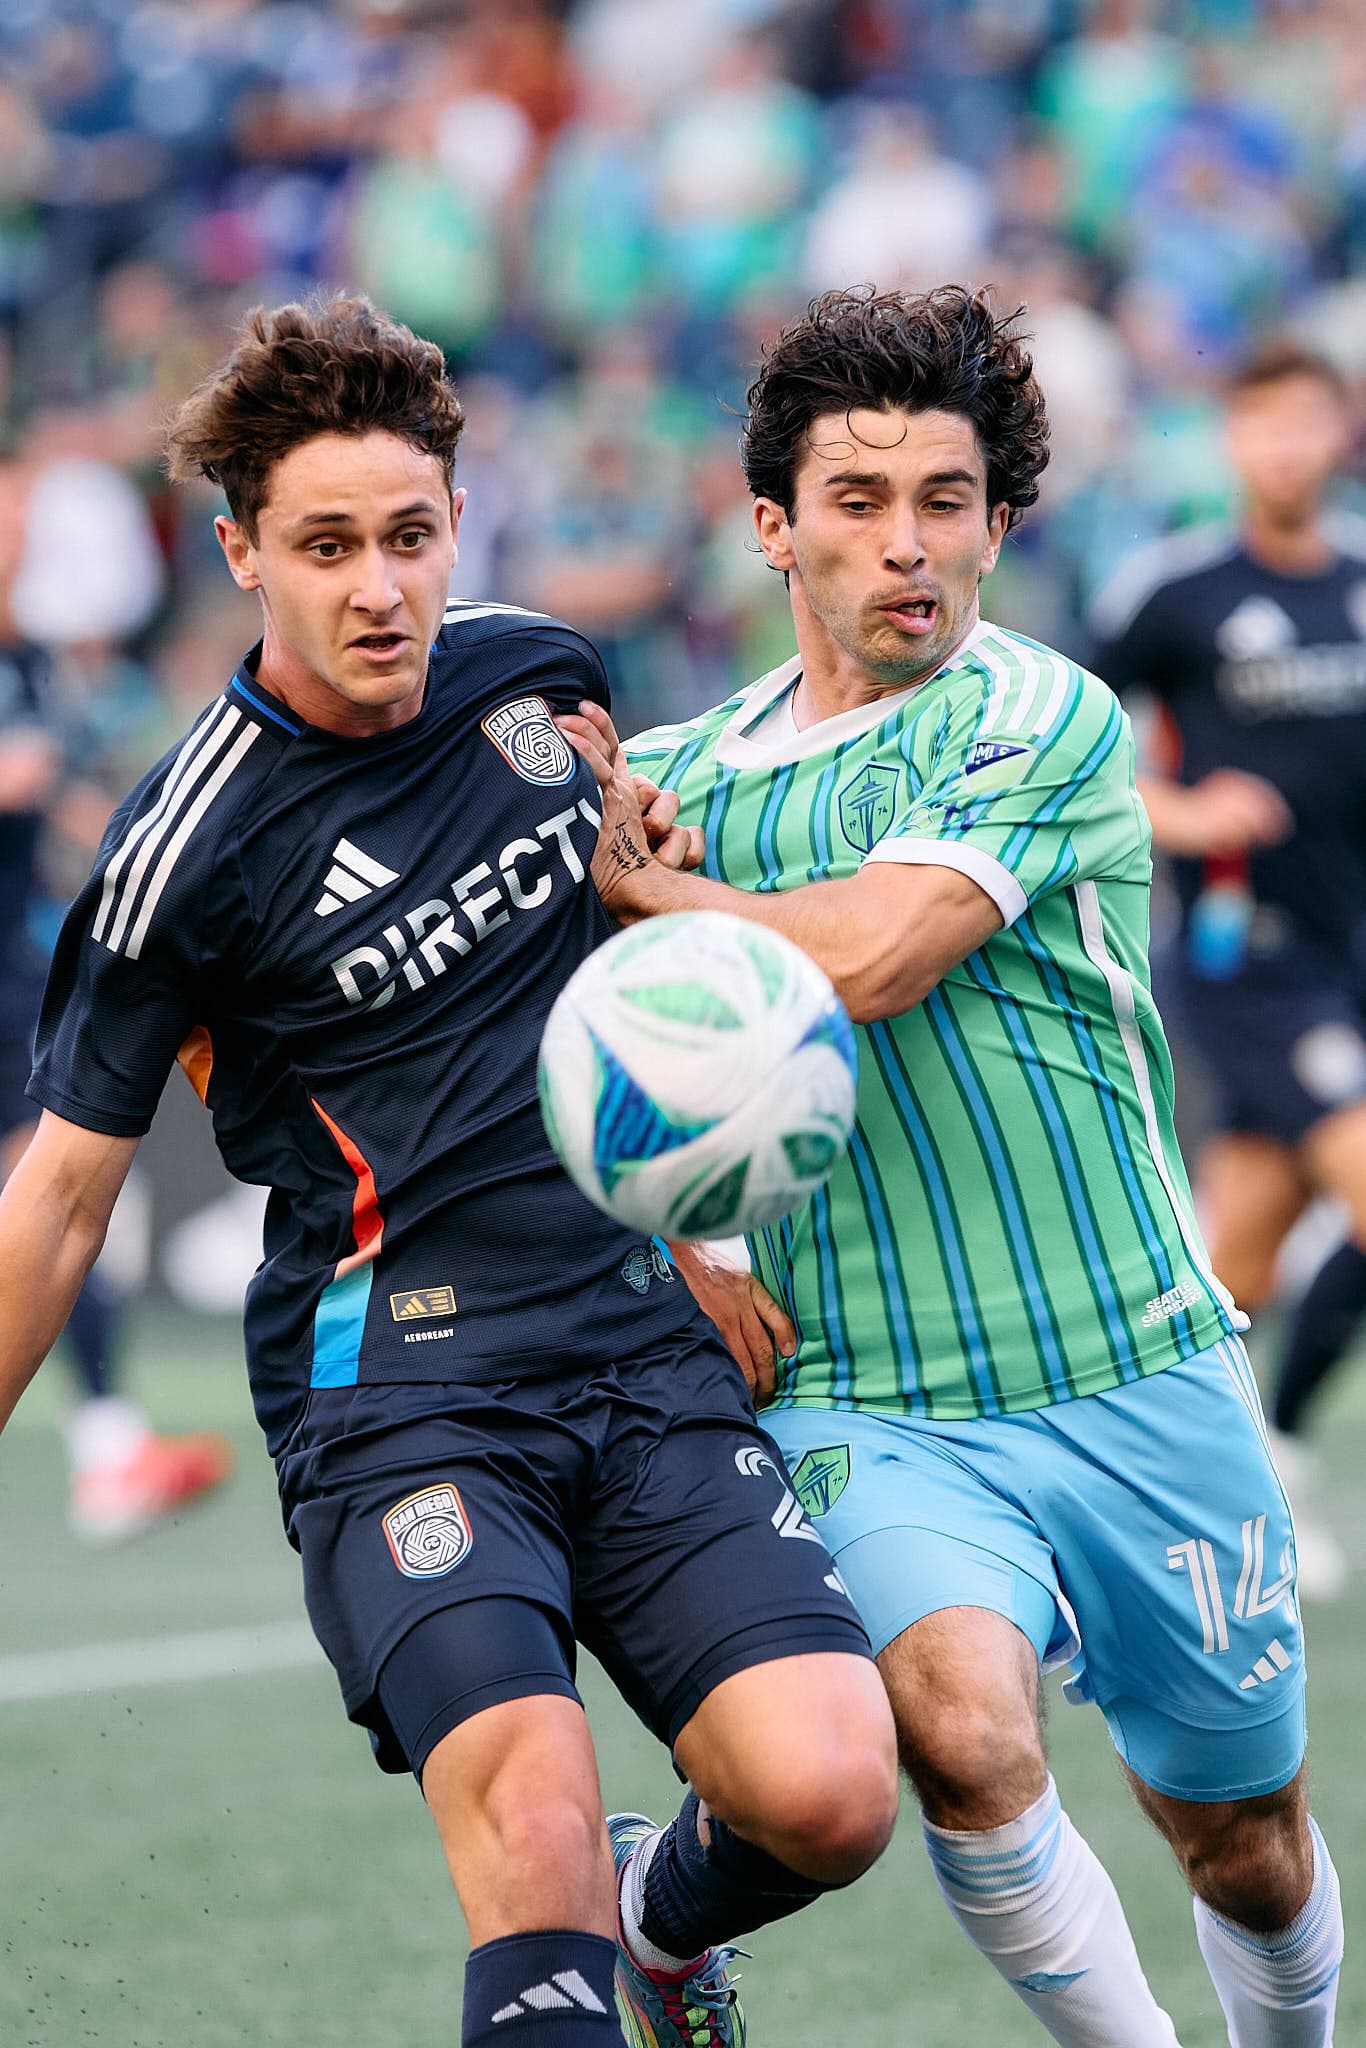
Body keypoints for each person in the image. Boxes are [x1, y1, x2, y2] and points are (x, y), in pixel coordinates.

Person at [0, 294, 897, 2048]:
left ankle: (664, 1922)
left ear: (456, 526)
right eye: (326, 545)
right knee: (533, 1826)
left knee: (832, 1794)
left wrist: (700, 1227)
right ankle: (586, 1921)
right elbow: (57, 1199)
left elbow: (627, 993)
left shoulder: (539, 676)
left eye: (409, 535)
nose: (378, 588)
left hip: (636, 1341)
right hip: (398, 1395)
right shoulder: (180, 853)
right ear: (238, 547)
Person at [561, 286, 1344, 2047]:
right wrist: (686, 1247)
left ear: (999, 522)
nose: (907, 545)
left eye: (945, 500)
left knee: (1244, 1841)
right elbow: (595, 1069)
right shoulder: (672, 782)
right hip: (872, 1395)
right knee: (960, 1729)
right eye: (856, 500)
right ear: (773, 526)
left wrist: (655, 902)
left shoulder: (1042, 715)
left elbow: (871, 954)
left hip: (1137, 1357)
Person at [1091, 341, 1366, 1601]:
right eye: (1261, 425)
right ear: (1231, 441)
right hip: (1247, 960)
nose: (1285, 447)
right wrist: (1186, 814)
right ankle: (1291, 1447)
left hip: (1350, 949)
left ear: (1338, 436)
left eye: (1307, 423)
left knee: (1229, 1269)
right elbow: (1072, 748)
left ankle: (1162, 1490)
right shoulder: (1180, 592)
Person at [0, 456, 232, 1538]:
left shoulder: (37, 664)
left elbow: (66, 799)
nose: (15, 531)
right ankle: (109, 1441)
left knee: (43, 1198)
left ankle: (108, 1444)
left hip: (9, 971)